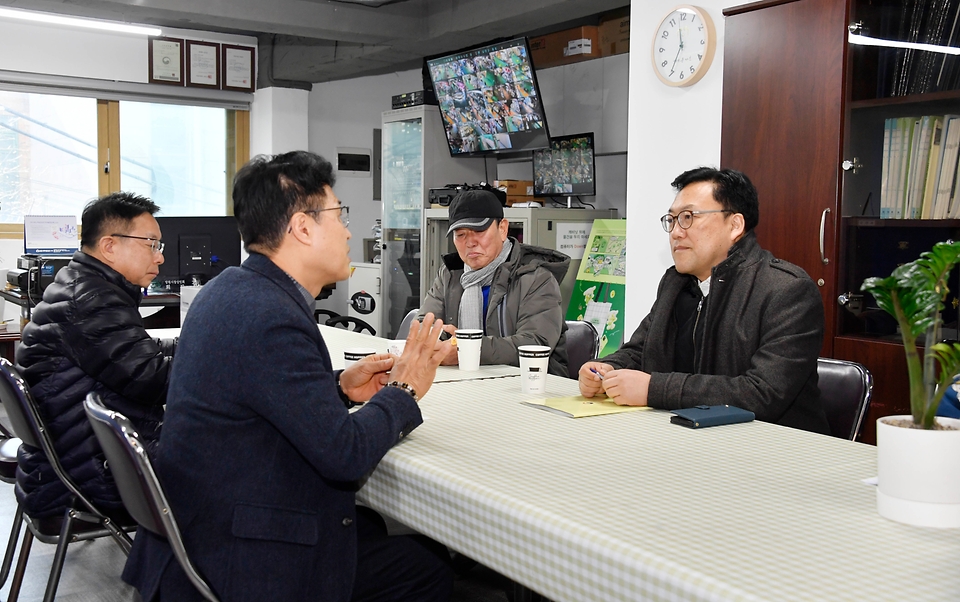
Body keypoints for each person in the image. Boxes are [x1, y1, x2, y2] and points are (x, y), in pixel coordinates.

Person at [123, 151, 456, 601]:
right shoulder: (270, 316)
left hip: (200, 530)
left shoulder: (231, 289)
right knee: (425, 566)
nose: (348, 231)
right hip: (241, 558)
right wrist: (404, 387)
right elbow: (346, 455)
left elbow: (263, 393)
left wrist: (339, 386)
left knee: (375, 528)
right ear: (302, 227)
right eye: (340, 216)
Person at [579, 167, 830, 433]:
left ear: (735, 225)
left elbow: (760, 394)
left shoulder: (786, 290)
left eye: (688, 217)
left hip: (775, 450)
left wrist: (654, 389)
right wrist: (607, 369)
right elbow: (642, 351)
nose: (676, 232)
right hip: (690, 441)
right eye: (672, 220)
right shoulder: (675, 283)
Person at [15, 192, 174, 519]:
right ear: (109, 246)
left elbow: (138, 356)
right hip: (96, 478)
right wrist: (223, 361)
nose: (159, 257)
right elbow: (155, 381)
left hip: (68, 465)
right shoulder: (93, 301)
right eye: (151, 244)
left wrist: (199, 345)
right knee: (244, 460)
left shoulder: (81, 284)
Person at [420, 189, 569, 376]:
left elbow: (535, 342)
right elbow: (423, 324)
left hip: (532, 383)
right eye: (461, 235)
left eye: (479, 231)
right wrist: (438, 342)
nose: (470, 242)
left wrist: (468, 350)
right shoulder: (450, 274)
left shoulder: (536, 277)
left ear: (502, 229)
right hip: (465, 380)